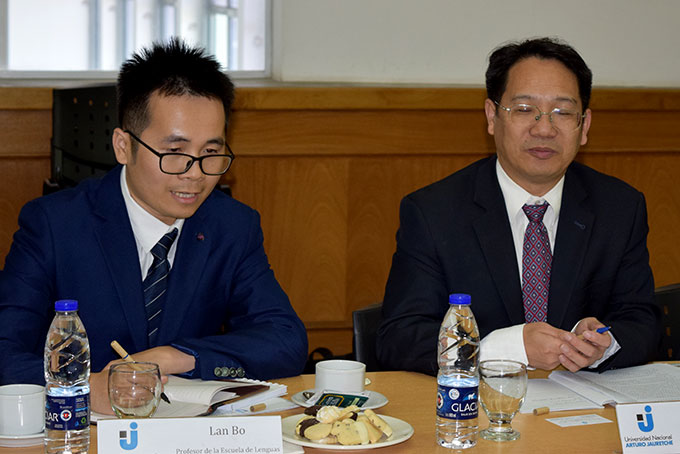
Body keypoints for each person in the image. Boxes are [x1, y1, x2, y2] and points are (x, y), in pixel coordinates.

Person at [0, 38, 308, 413]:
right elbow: (4, 349)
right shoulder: (54, 225)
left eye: (210, 153)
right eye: (174, 153)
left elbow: (285, 340)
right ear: (123, 146)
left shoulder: (232, 226)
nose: (195, 175)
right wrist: (81, 388)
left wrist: (179, 356)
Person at [377, 37, 660, 375]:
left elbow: (642, 322)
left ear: (583, 125)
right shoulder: (434, 212)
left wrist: (604, 344)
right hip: (476, 412)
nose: (544, 128)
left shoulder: (619, 207)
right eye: (524, 109)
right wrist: (509, 347)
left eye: (563, 112)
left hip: (579, 415)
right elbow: (400, 338)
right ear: (492, 116)